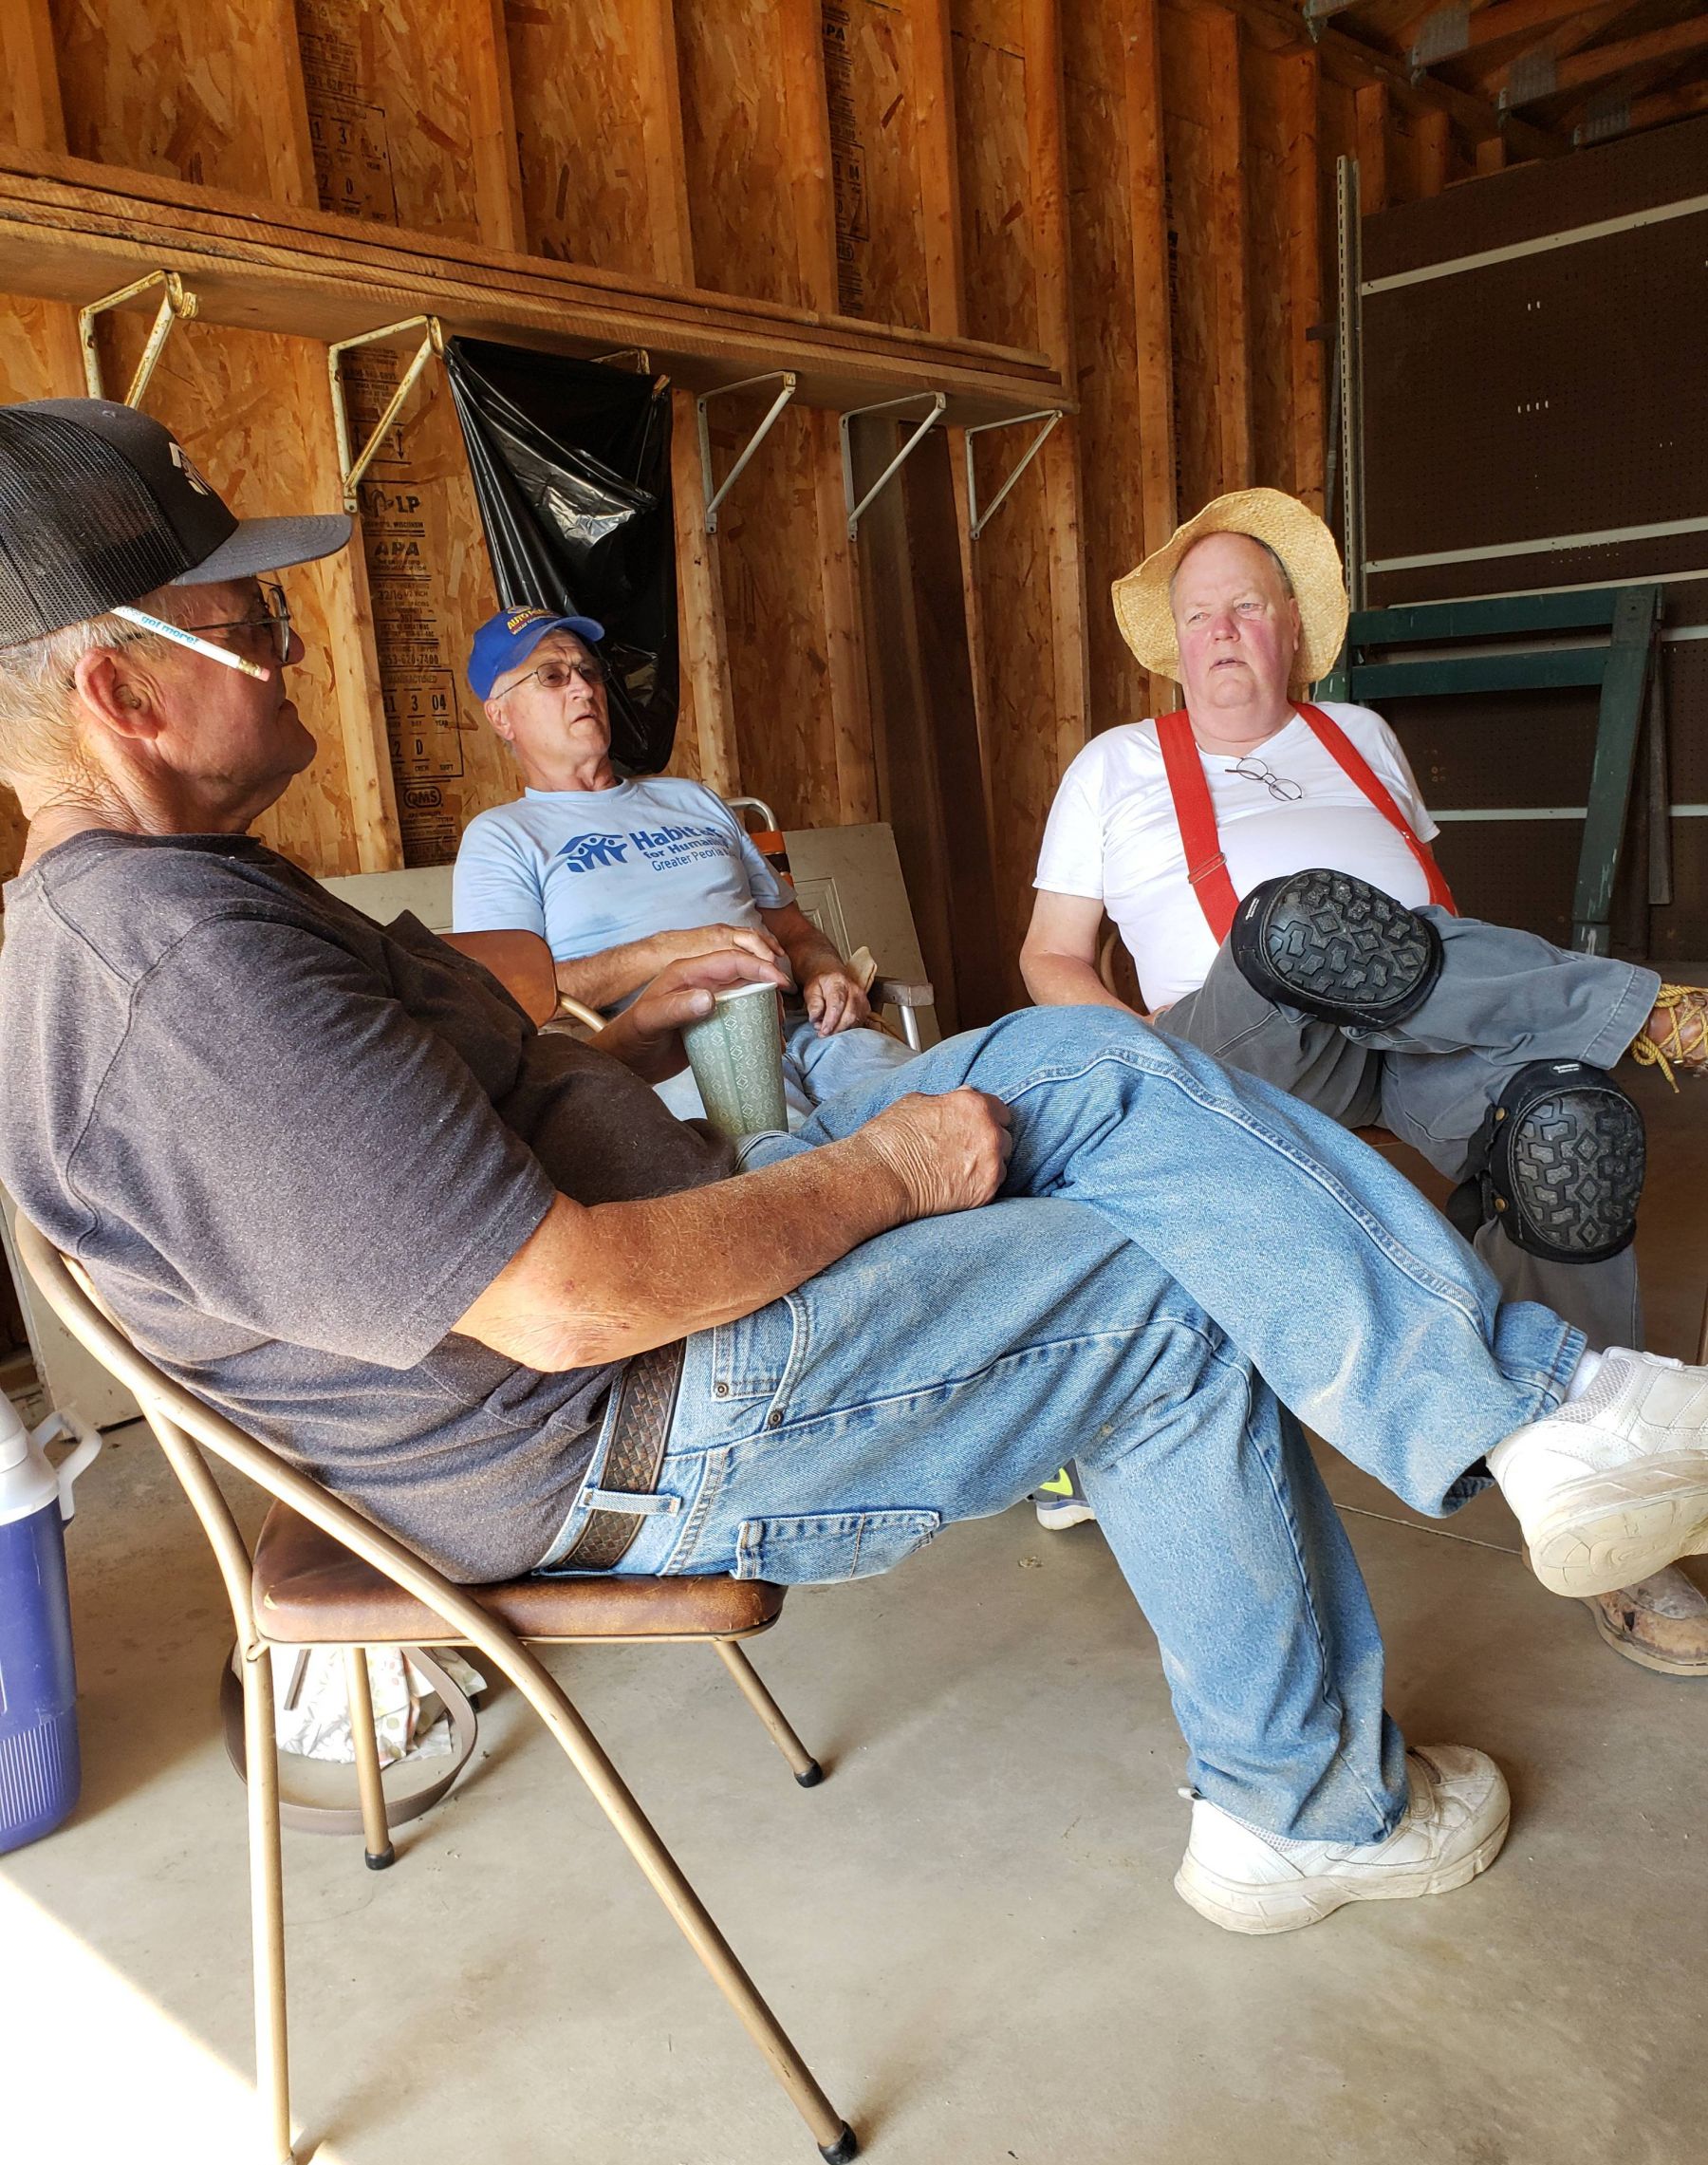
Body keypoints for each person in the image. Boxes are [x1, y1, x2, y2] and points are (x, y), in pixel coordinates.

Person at [7, 401, 1708, 1950]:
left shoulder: (194, 897)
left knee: (1081, 1062)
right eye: (253, 624)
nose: (294, 647)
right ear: (124, 693)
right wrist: (888, 1169)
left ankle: (1530, 1416)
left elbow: (465, 1105)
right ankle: (1311, 1808)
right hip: (632, 1413)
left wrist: (647, 1043)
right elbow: (566, 1305)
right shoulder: (171, 973)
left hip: (685, 1240)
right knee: (1161, 1291)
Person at [1022, 488, 1708, 1677]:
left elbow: (1433, 920)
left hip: (1411, 1037)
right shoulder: (1114, 766)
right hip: (1241, 1045)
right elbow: (1049, 957)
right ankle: (1648, 1008)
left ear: (1292, 626)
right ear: (1174, 643)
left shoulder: (1360, 734)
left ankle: (1607, 1500)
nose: (1223, 631)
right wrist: (1138, 1057)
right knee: (1299, 919)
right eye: (1200, 615)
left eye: (1247, 606)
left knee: (1571, 1124)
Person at [450, 607, 914, 1125]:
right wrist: (671, 949)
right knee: (793, 1163)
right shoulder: (502, 838)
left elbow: (794, 931)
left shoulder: (693, 799)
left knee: (957, 1102)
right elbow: (507, 999)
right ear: (501, 716)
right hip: (674, 1057)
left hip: (810, 1029)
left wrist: (825, 970)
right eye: (552, 676)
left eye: (587, 671)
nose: (582, 688)